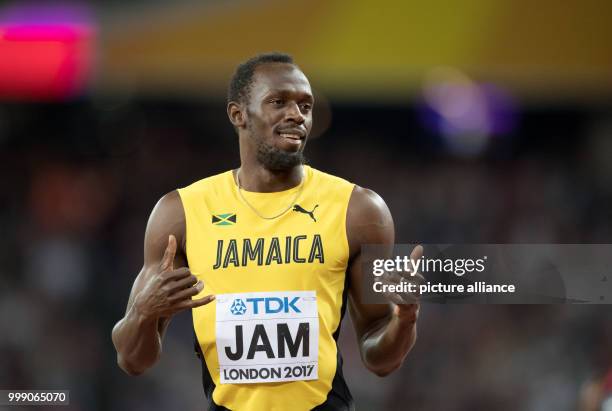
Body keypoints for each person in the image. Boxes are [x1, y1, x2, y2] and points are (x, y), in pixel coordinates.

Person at [111, 52, 421, 411]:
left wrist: (405, 321)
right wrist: (144, 314)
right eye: (278, 102)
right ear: (237, 114)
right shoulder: (180, 213)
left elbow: (379, 358)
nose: (296, 115)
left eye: (305, 105)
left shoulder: (358, 211)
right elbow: (133, 360)